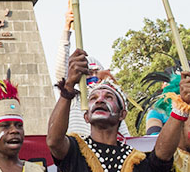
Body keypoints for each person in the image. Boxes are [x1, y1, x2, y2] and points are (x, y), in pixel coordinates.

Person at [53, 7, 131, 137]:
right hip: (78, 150)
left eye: (96, 72)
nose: (92, 76)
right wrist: (66, 29)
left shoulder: (111, 102)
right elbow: (61, 72)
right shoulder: (73, 97)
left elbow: (125, 137)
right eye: (87, 72)